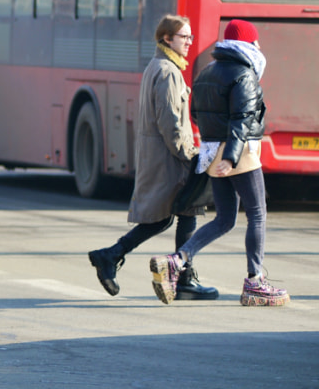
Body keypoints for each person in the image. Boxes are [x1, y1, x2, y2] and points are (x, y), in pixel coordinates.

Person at [150, 19, 288, 306]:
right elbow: (242, 118)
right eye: (255, 41)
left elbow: (197, 115)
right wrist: (231, 156)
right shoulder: (244, 74)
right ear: (248, 44)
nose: (259, 46)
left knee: (224, 219)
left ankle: (176, 260)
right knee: (257, 214)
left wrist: (218, 153)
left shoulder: (206, 72)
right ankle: (255, 283)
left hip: (210, 149)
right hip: (240, 153)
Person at [87, 15, 217, 300]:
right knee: (181, 213)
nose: (190, 42)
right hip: (170, 159)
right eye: (184, 36)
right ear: (167, 38)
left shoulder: (158, 66)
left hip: (161, 156)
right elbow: (170, 124)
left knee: (174, 215)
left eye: (191, 37)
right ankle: (178, 276)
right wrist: (191, 156)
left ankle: (118, 257)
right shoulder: (168, 71)